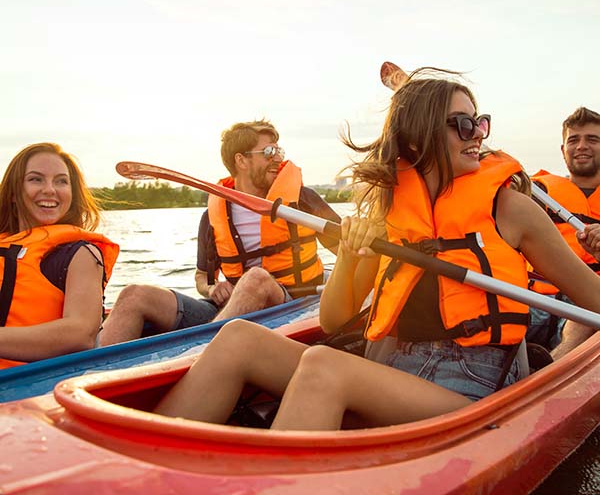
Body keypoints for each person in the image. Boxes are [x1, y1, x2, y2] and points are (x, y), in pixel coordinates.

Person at [151, 68, 600, 429]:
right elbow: (333, 318)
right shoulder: (388, 208)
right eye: (464, 124)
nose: (477, 134)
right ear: (418, 137)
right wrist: (350, 254)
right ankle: (141, 472)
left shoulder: (511, 208)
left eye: (481, 122)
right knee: (237, 338)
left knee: (325, 368)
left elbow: (592, 298)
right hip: (390, 367)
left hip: (471, 389)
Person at [98, 120, 339, 346]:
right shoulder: (213, 217)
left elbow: (346, 251)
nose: (278, 160)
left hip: (292, 304)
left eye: (279, 152)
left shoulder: (302, 200)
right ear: (241, 161)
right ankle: (92, 377)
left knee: (256, 279)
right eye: (268, 153)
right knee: (133, 295)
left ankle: (201, 356)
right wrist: (212, 289)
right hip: (229, 311)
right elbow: (202, 277)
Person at [0, 142, 119, 369]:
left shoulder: (81, 254)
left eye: (61, 181)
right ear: (14, 193)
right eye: (36, 179)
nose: (50, 190)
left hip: (33, 388)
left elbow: (80, 334)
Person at [527, 107, 600, 358]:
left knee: (589, 314)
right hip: (531, 296)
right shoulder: (536, 190)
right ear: (563, 150)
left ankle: (547, 374)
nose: (581, 146)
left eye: (592, 139)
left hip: (585, 304)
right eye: (573, 139)